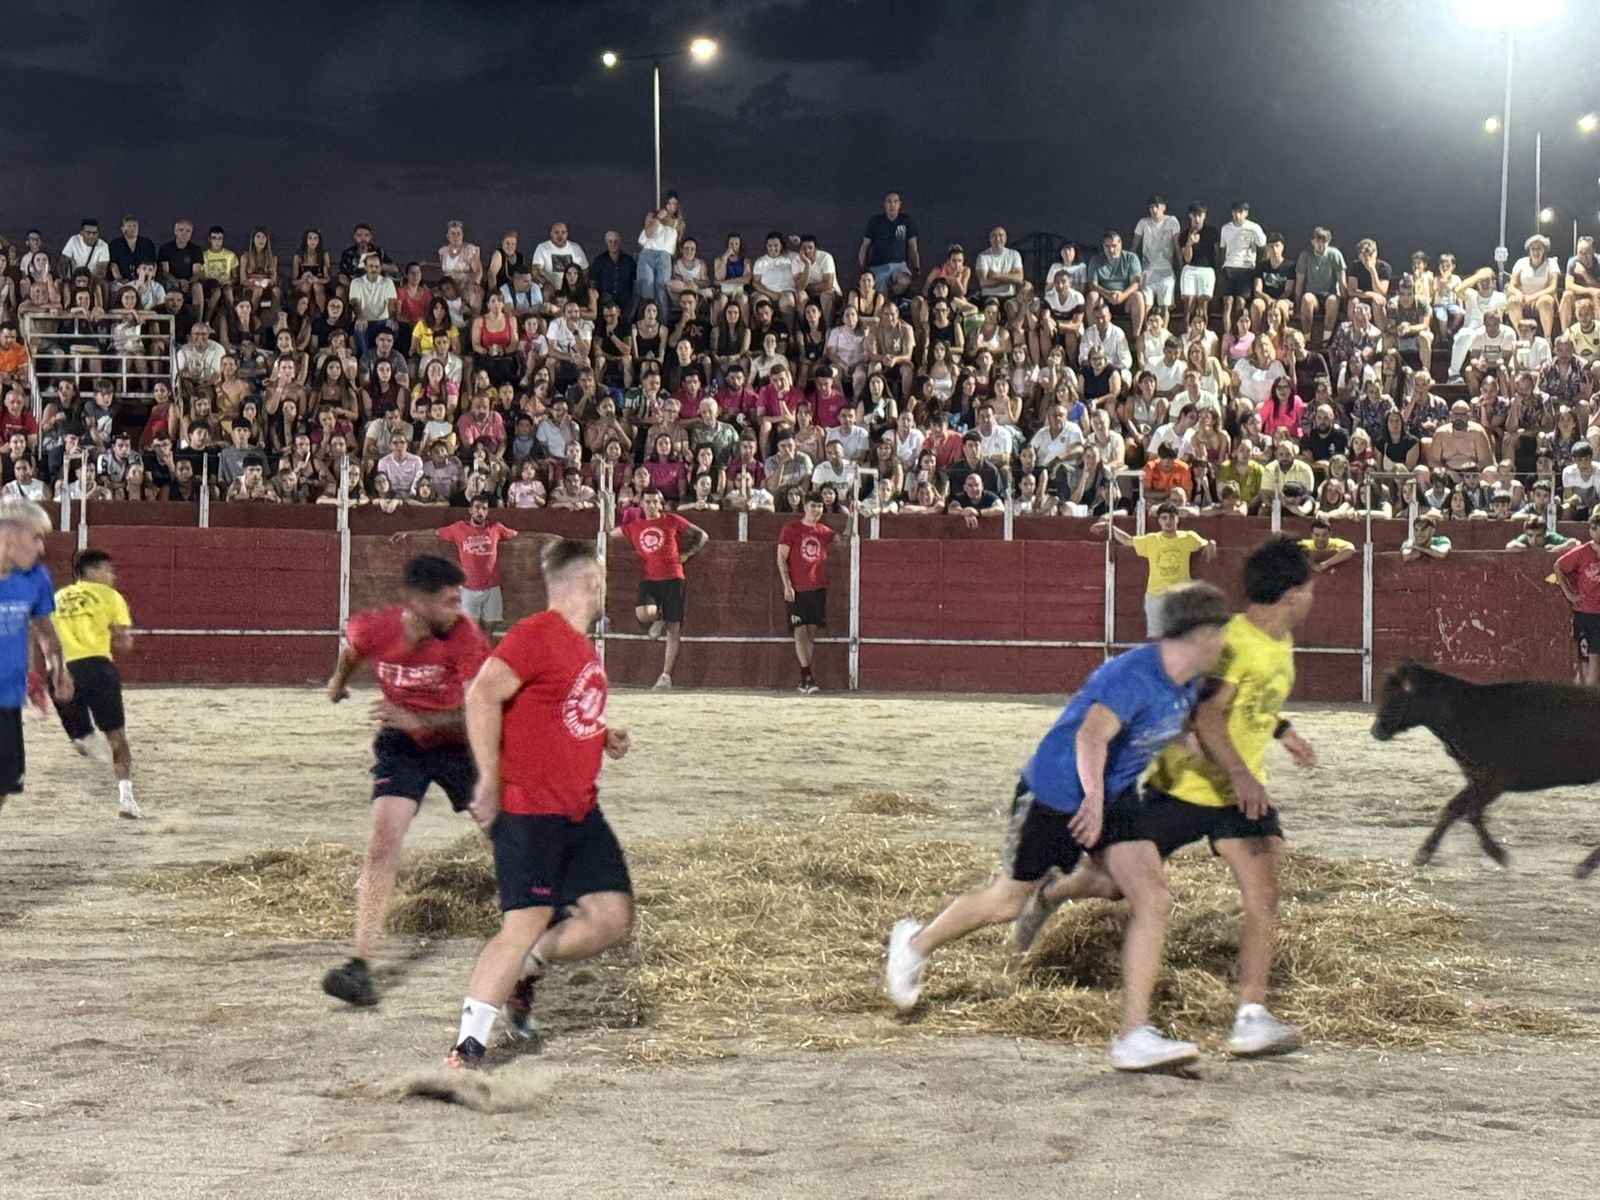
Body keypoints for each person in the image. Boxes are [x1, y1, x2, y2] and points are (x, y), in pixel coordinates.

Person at [884, 584, 1233, 1071]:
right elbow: (1091, 736)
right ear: (1199, 634)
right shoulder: (1131, 675)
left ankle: (1134, 1034)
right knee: (1007, 902)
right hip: (1056, 793)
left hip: (1114, 796)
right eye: (1219, 633)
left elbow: (1170, 727)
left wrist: (1210, 768)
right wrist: (1090, 798)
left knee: (1151, 895)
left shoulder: (1189, 683)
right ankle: (914, 943)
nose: (1224, 643)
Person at [1016, 539, 1318, 1067]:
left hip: (1234, 796)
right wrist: (1244, 774)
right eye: (1310, 588)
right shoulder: (1233, 642)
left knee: (1263, 889)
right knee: (1111, 883)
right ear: (1291, 594)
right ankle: (1053, 891)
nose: (1314, 598)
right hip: (1183, 786)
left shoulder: (1281, 639)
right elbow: (1204, 714)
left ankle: (1250, 1016)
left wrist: (1282, 729)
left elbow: (1252, 703)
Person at [444, 539, 632, 1068]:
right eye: (601, 581)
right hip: (531, 810)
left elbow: (558, 713)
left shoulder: (581, 647)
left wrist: (600, 735)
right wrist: (487, 779)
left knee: (611, 916)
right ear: (590, 582)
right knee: (525, 920)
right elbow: (482, 694)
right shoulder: (537, 634)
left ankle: (529, 966)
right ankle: (466, 1051)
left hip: (579, 810)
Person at [320, 555, 491, 1008]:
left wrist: (415, 717)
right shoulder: (373, 627)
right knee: (382, 845)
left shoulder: (466, 637)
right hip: (402, 745)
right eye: (450, 600)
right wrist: (338, 683)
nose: (459, 609)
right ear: (417, 602)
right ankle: (359, 963)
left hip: (459, 746)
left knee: (505, 833)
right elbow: (354, 650)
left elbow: (478, 713)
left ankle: (544, 912)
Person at [48, 548, 140, 817]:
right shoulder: (110, 596)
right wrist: (124, 639)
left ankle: (81, 736)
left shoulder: (58, 597)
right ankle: (126, 797)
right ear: (91, 571)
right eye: (108, 570)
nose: (112, 576)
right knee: (117, 736)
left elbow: (42, 635)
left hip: (59, 672)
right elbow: (123, 641)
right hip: (95, 667)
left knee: (82, 735)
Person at [2, 501, 70, 813]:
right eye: (36, 538)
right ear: (9, 536)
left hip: (7, 700)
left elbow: (44, 628)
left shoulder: (36, 579)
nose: (42, 548)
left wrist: (58, 666)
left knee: (4, 786)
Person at [608, 489, 709, 690]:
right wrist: (608, 507)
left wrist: (687, 554)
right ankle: (658, 617)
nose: (652, 505)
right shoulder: (635, 526)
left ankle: (665, 676)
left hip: (674, 577)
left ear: (660, 503)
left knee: (674, 628)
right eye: (648, 502)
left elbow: (702, 535)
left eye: (655, 501)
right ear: (642, 504)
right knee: (644, 614)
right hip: (650, 579)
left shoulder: (672, 520)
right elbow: (609, 533)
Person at [394, 498, 520, 636]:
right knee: (471, 629)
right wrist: (407, 533)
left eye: (484, 508)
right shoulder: (458, 528)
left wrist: (546, 537)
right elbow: (434, 533)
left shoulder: (496, 527)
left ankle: (486, 655)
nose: (481, 512)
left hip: (492, 587)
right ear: (470, 510)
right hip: (469, 587)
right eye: (477, 508)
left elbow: (517, 534)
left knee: (489, 628)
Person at [1095, 502, 1216, 636]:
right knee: (1156, 639)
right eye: (1164, 518)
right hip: (1156, 596)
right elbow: (1128, 541)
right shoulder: (1152, 540)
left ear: (1177, 519)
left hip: (1179, 597)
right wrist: (1110, 527)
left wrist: (1211, 542)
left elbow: (1206, 543)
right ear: (1159, 521)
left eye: (1171, 517)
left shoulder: (1188, 537)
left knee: (1181, 637)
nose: (1168, 521)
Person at [777, 491, 842, 695]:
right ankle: (806, 675)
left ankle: (805, 676)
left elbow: (844, 538)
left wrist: (854, 516)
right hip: (798, 588)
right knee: (800, 631)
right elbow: (781, 558)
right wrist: (787, 584)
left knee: (811, 632)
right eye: (813, 506)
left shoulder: (823, 531)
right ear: (805, 506)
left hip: (817, 587)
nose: (817, 510)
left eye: (820, 507)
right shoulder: (791, 529)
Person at [1556, 513, 1600, 686]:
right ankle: (1586, 699)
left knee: (1592, 658)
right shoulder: (1582, 552)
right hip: (1586, 612)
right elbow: (1558, 566)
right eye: (1596, 529)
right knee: (1587, 658)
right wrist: (1569, 594)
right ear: (1592, 531)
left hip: (1593, 612)